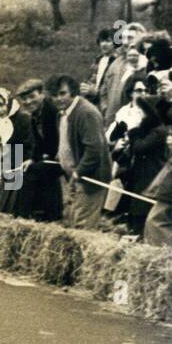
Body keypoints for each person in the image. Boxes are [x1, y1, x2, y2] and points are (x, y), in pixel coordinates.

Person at [50, 74, 111, 230]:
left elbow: (94, 149)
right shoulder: (63, 113)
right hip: (75, 177)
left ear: (73, 92)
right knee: (73, 220)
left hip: (90, 178)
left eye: (62, 93)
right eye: (54, 95)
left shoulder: (86, 113)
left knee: (84, 226)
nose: (58, 99)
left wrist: (79, 172)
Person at [112, 96, 168, 236]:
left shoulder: (158, 131)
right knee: (133, 213)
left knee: (142, 213)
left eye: (140, 112)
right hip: (138, 178)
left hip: (149, 178)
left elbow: (140, 148)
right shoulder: (144, 130)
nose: (137, 115)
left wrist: (132, 130)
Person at [13, 78, 64, 222]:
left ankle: (22, 216)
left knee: (32, 172)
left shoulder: (53, 111)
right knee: (28, 167)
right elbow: (37, 142)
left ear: (42, 94)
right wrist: (32, 158)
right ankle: (47, 213)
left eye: (32, 97)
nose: (28, 102)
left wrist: (50, 157)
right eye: (24, 99)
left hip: (64, 156)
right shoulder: (34, 115)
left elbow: (61, 138)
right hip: (50, 156)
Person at [0, 87, 32, 215]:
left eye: (1, 105)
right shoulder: (1, 122)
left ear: (9, 102)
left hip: (20, 165)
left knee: (14, 204)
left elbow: (27, 142)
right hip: (7, 164)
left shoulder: (23, 118)